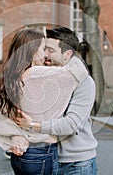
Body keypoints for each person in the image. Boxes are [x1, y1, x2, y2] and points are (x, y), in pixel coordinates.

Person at [0, 28, 88, 175]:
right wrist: (70, 52)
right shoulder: (38, 74)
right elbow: (79, 71)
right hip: (42, 153)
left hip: (21, 156)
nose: (46, 53)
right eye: (43, 48)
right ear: (32, 51)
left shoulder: (10, 76)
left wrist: (16, 135)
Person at [15, 27, 98, 175]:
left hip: (76, 163)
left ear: (67, 54)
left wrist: (34, 126)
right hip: (49, 159)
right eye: (44, 49)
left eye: (51, 51)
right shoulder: (44, 77)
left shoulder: (84, 83)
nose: (45, 55)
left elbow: (71, 124)